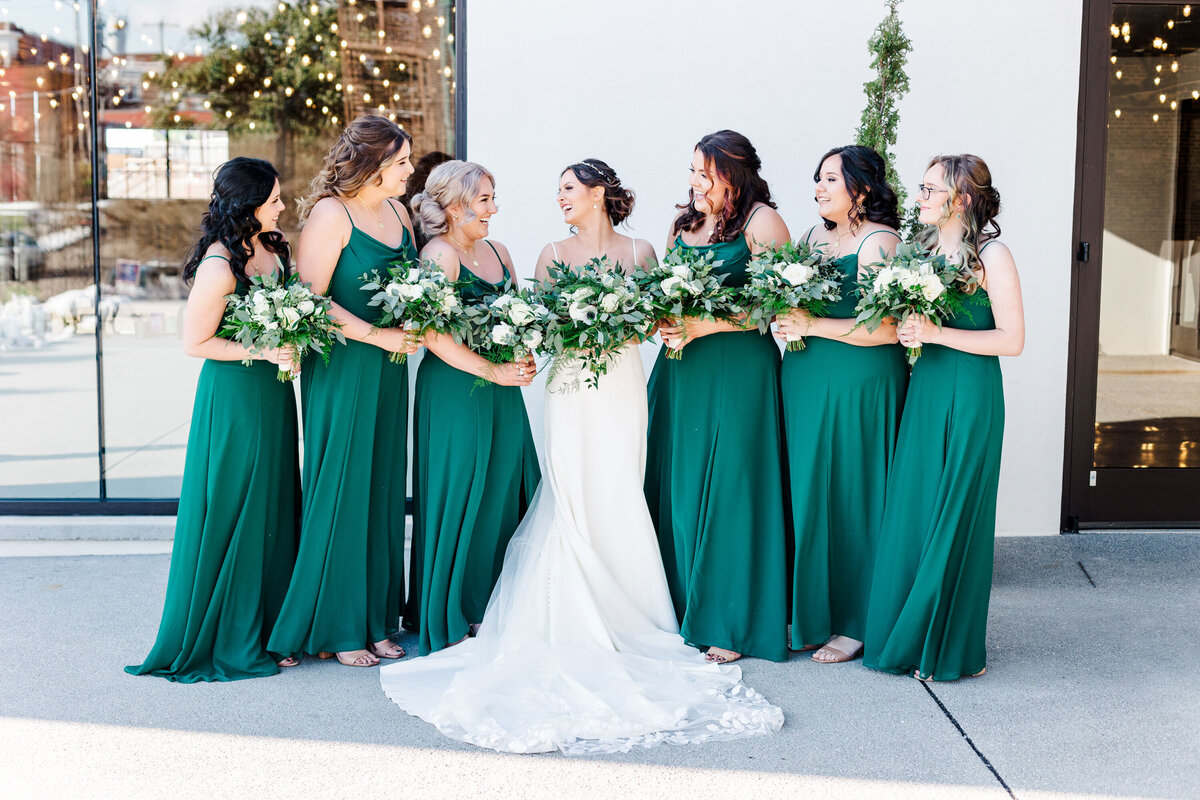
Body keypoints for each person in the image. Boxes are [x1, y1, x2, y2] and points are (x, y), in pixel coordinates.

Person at [379, 159, 784, 754]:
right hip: (570, 384)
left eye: (569, 189)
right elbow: (535, 323)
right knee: (570, 488)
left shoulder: (645, 248)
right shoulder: (548, 254)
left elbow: (655, 318)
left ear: (599, 194)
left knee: (620, 484)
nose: (560, 199)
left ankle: (634, 607)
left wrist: (634, 321)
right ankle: (566, 604)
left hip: (620, 383)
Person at [126, 157, 300, 682]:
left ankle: (272, 626)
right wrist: (267, 351)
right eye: (273, 200)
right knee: (237, 504)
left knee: (273, 503)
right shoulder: (219, 266)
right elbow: (194, 343)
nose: (282, 206)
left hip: (273, 397)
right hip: (235, 399)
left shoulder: (270, 250)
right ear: (247, 206)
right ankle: (230, 631)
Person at [266, 115, 420, 668]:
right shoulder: (332, 214)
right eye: (402, 161)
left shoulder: (400, 212)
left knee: (380, 488)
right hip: (342, 364)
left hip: (387, 368)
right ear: (375, 165)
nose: (409, 170)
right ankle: (338, 624)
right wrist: (379, 335)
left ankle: (375, 620)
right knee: (343, 486)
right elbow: (311, 300)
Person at [863, 154, 1024, 681]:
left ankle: (949, 647)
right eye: (922, 188)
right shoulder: (924, 252)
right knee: (916, 509)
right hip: (926, 389)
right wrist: (911, 334)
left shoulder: (991, 257)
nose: (920, 198)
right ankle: (907, 635)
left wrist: (936, 334)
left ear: (963, 198)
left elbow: (1013, 340)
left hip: (971, 393)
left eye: (931, 190)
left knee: (956, 514)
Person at [645, 130, 791, 664]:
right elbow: (663, 290)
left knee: (732, 489)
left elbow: (776, 305)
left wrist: (705, 325)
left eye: (705, 173)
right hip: (681, 369)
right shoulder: (683, 223)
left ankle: (730, 620)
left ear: (734, 173)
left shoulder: (762, 222)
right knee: (681, 489)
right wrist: (662, 318)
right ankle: (681, 606)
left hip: (738, 370)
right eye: (692, 171)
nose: (695, 182)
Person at [401, 160, 540, 656]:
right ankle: (452, 608)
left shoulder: (499, 251)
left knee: (502, 490)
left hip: (504, 390)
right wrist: (492, 370)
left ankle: (494, 603)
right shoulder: (438, 255)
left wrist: (523, 357)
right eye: (485, 199)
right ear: (456, 206)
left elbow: (517, 317)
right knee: (462, 492)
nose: (494, 208)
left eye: (492, 197)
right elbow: (431, 335)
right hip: (458, 390)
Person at [777, 145, 907, 664]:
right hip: (806, 380)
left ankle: (856, 621)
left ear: (863, 188)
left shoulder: (880, 244)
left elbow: (890, 329)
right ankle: (815, 615)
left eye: (831, 179)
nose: (819, 187)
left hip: (859, 381)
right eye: (818, 179)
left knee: (854, 494)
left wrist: (812, 325)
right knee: (811, 496)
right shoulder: (811, 239)